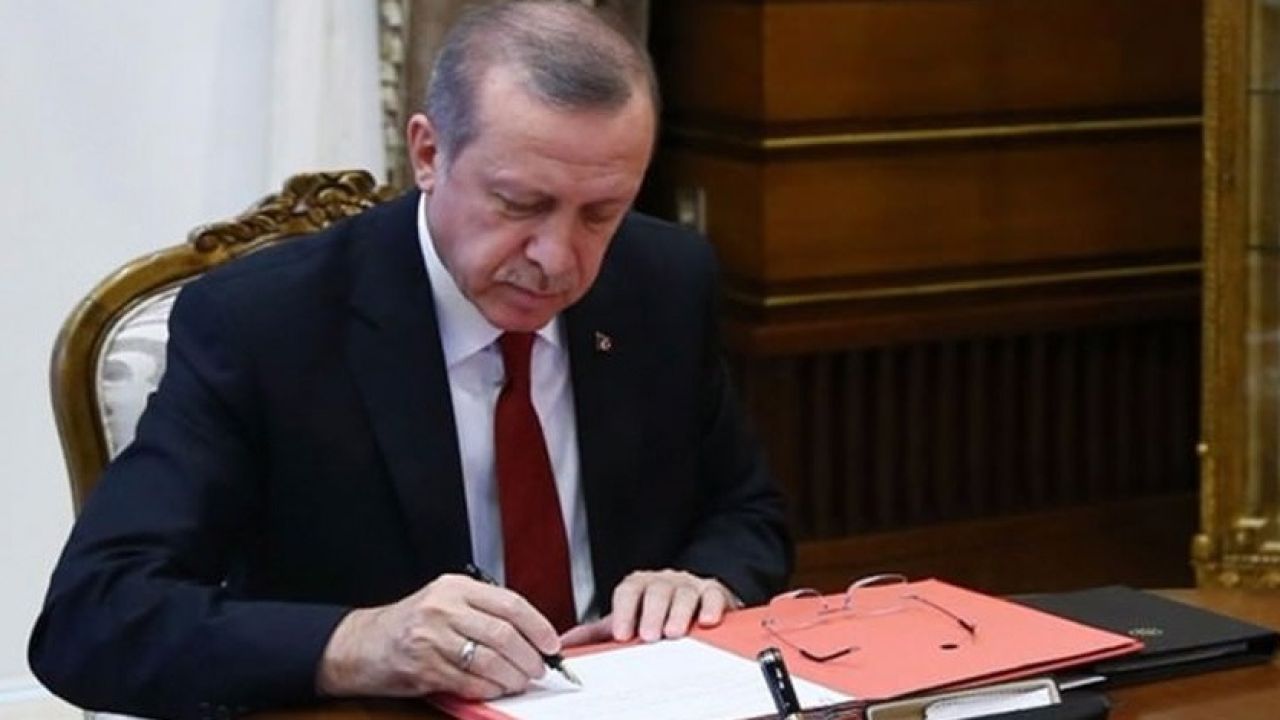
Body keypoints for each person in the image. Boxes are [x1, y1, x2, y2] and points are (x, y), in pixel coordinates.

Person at [29, 2, 791, 718]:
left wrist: (701, 580)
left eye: (601, 213)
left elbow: (746, 512)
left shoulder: (664, 281)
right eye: (520, 204)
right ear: (428, 153)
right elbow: (93, 616)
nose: (558, 260)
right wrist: (360, 642)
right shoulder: (265, 326)